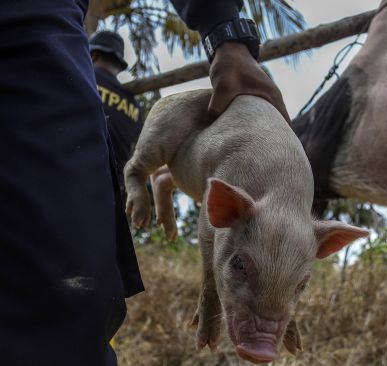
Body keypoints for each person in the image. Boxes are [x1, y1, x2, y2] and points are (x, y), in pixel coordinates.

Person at [0, 1, 288, 365]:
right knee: (66, 304)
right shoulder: (121, 101)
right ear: (117, 65)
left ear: (91, 54)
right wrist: (223, 28)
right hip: (87, 190)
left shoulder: (75, 82)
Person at [90, 30, 143, 199]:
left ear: (93, 55)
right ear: (118, 66)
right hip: (111, 196)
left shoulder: (83, 78)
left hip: (66, 177)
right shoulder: (135, 108)